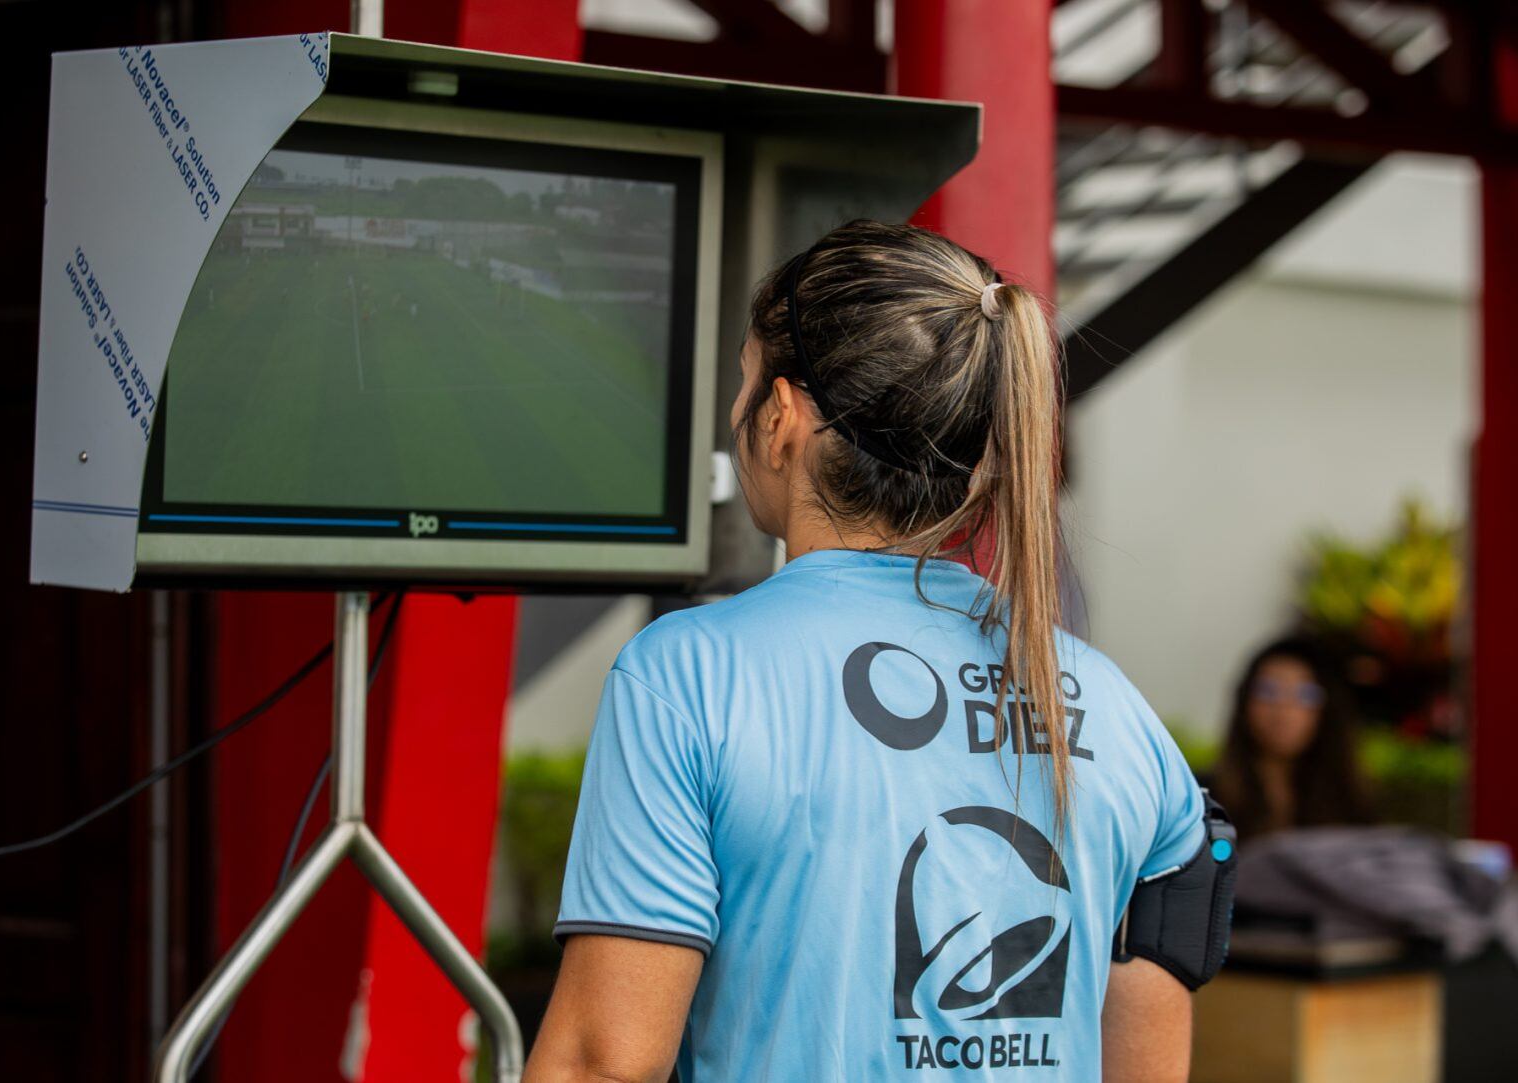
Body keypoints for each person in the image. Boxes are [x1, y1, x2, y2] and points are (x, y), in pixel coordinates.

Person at [524, 221, 1210, 1082]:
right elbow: (1154, 1018)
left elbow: (601, 1063)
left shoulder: (687, 676)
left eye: (743, 381)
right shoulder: (1114, 706)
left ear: (782, 418)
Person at [1208, 636, 1371, 845]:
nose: (1284, 711)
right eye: (1267, 692)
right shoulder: (1203, 800)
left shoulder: (1350, 803)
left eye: (1306, 695)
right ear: (1244, 702)